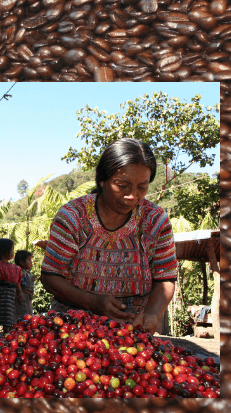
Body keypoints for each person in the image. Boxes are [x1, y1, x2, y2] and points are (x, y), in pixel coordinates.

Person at [40, 138, 178, 335]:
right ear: (101, 179)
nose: (132, 196)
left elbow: (165, 278)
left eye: (142, 187)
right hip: (71, 323)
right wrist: (91, 302)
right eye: (122, 185)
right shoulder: (73, 217)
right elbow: (50, 276)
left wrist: (152, 314)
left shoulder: (156, 221)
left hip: (132, 327)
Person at [0, 239, 23, 335]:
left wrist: (20, 293)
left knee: (8, 314)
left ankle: (6, 333)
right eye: (11, 249)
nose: (13, 252)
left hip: (11, 295)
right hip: (0, 292)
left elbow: (17, 282)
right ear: (4, 251)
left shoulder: (16, 268)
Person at [14, 250, 35, 320]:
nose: (31, 262)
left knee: (27, 314)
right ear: (22, 262)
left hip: (27, 298)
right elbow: (18, 282)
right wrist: (21, 292)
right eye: (29, 260)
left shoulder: (26, 273)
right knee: (23, 316)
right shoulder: (20, 272)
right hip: (22, 298)